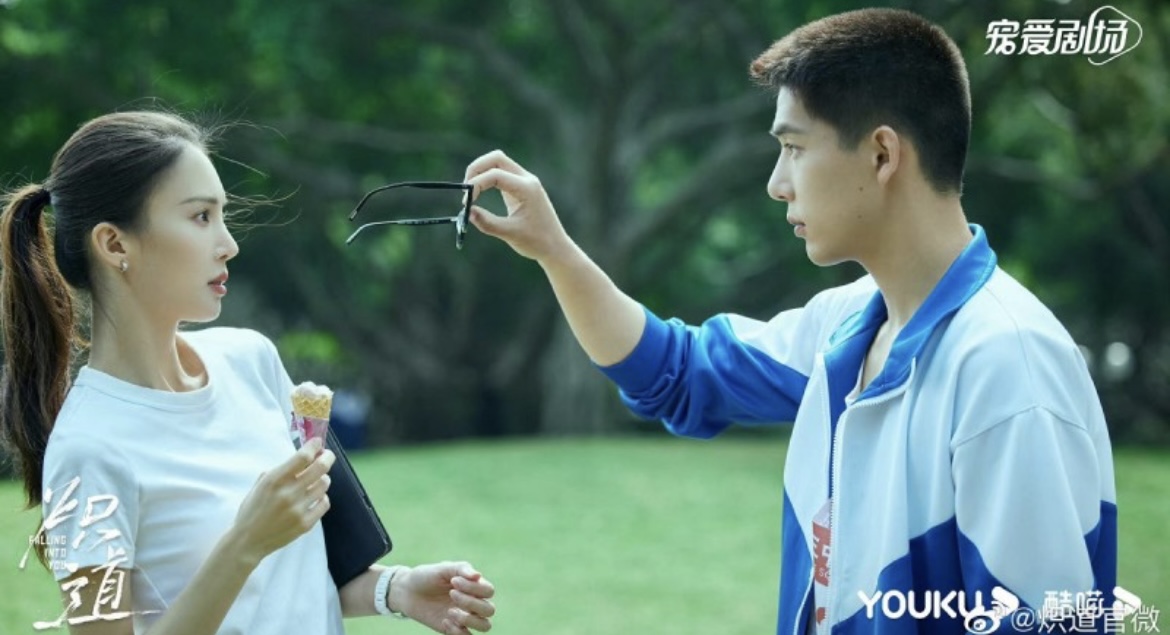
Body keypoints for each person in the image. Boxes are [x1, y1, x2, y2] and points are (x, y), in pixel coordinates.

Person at [462, 8, 1115, 635]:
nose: (778, 183)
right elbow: (674, 375)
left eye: (794, 148)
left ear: (882, 154)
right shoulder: (841, 327)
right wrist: (554, 249)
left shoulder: (1005, 366)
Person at [0, 111, 496, 635]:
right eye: (200, 217)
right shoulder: (86, 453)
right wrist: (243, 544)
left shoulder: (251, 361)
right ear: (115, 244)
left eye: (223, 215)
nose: (228, 243)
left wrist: (394, 588)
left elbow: (291, 582)